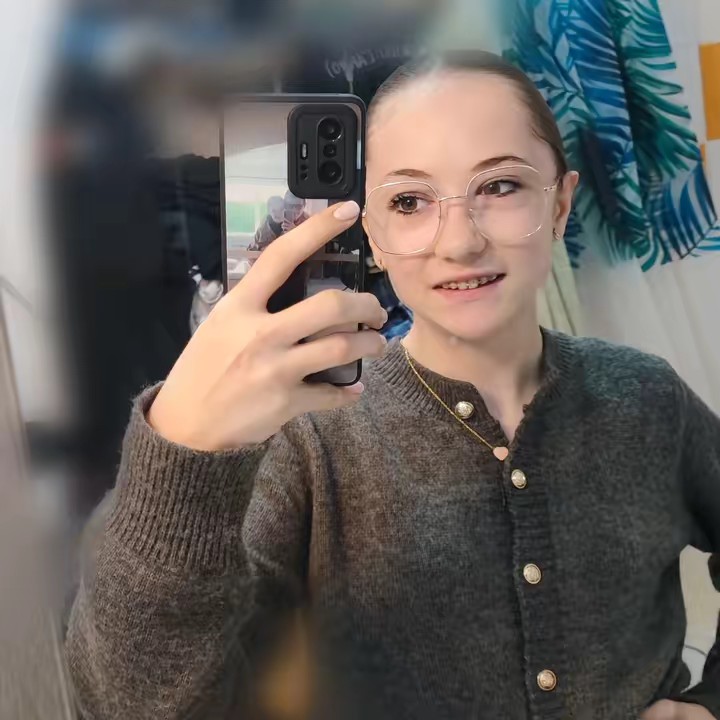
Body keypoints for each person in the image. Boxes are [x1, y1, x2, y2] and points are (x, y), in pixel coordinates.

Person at [65, 52, 720, 720]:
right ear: (371, 237)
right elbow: (136, 704)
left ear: (559, 203)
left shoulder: (647, 397)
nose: (459, 242)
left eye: (500, 186)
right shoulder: (308, 442)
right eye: (409, 202)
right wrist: (182, 457)